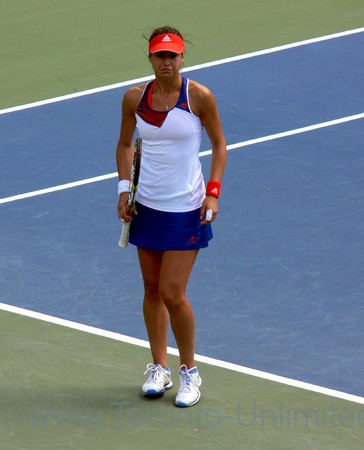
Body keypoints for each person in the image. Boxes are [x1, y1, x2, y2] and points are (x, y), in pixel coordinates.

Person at [115, 26, 226, 408]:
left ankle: (190, 373)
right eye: (159, 55)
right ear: (150, 58)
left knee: (172, 293)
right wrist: (123, 192)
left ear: (182, 58)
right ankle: (159, 367)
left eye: (172, 55)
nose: (166, 62)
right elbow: (126, 143)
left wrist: (213, 193)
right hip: (146, 206)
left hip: (186, 210)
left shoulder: (198, 97)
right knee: (150, 289)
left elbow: (219, 144)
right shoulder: (134, 98)